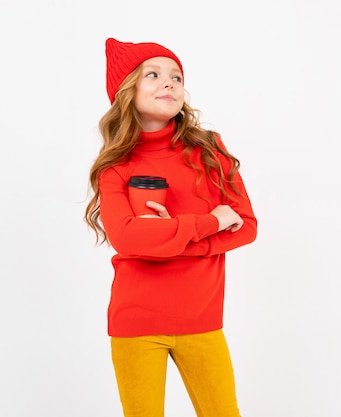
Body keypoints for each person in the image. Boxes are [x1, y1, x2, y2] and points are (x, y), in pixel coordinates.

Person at [84, 37, 257, 417]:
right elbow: (126, 239)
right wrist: (210, 222)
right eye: (153, 74)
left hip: (202, 318)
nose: (170, 83)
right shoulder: (116, 166)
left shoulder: (209, 150)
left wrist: (166, 237)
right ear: (126, 91)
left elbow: (245, 226)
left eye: (176, 76)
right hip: (136, 321)